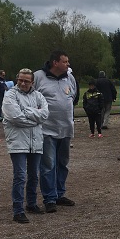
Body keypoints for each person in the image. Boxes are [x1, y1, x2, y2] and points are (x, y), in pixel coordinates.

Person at [2, 68, 49, 223]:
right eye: (20, 80)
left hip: (35, 141)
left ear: (32, 82)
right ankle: (18, 210)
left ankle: (31, 203)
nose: (22, 83)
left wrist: (26, 111)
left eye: (26, 81)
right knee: (20, 176)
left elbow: (45, 115)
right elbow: (15, 117)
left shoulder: (38, 95)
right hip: (17, 142)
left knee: (34, 175)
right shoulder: (10, 95)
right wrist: (35, 116)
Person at [33, 50, 77, 212]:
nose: (68, 65)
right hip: (46, 129)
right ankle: (49, 198)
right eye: (65, 62)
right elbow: (31, 98)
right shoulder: (38, 77)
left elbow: (73, 96)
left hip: (65, 128)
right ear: (55, 63)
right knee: (48, 165)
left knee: (62, 163)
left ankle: (60, 193)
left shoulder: (69, 78)